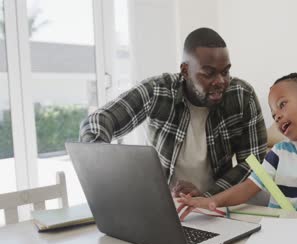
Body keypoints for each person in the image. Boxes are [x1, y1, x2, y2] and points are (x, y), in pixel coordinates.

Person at [79, 28, 267, 197]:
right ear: (185, 71)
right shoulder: (158, 91)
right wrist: (98, 159)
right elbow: (100, 119)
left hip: (217, 205)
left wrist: (206, 197)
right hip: (161, 205)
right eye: (209, 73)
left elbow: (254, 164)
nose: (220, 81)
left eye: (225, 72)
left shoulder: (242, 96)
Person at [177, 72, 297, 220]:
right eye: (273, 114)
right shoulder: (279, 153)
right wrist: (210, 201)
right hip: (278, 236)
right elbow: (247, 188)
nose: (277, 116)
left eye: (282, 104)